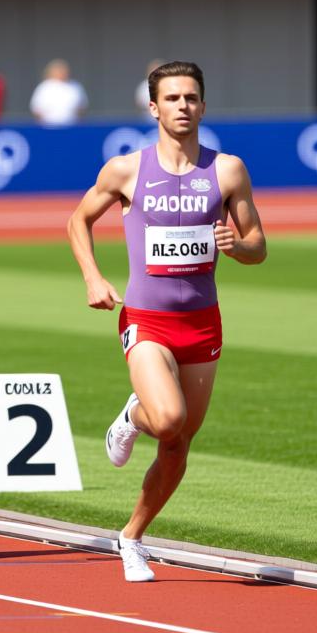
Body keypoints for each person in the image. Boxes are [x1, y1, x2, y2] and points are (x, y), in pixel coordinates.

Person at [66, 61, 266, 583]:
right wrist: (92, 278)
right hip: (146, 320)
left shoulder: (228, 171)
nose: (183, 106)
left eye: (191, 98)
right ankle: (135, 416)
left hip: (202, 324)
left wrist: (236, 246)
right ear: (154, 107)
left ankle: (131, 537)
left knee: (178, 444)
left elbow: (258, 246)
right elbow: (78, 220)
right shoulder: (126, 170)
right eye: (173, 98)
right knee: (169, 417)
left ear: (203, 106)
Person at [30, 58, 88, 127]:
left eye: (63, 70)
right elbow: (36, 109)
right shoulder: (44, 87)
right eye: (58, 71)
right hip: (49, 126)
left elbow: (82, 107)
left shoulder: (75, 86)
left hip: (72, 125)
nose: (61, 73)